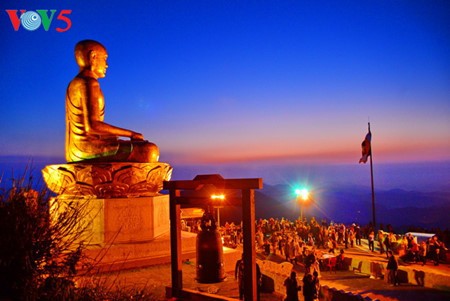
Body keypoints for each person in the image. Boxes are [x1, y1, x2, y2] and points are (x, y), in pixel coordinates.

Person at [66, 40, 159, 163]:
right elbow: (93, 126)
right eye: (104, 59)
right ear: (93, 57)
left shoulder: (75, 83)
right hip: (87, 149)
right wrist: (131, 134)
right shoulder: (89, 82)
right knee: (150, 151)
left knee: (134, 146)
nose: (107, 65)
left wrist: (113, 137)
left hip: (77, 149)